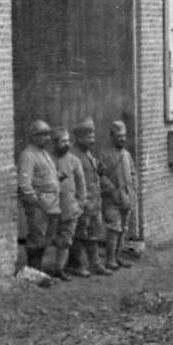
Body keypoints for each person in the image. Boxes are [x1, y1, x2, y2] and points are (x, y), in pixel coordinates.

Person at [17, 120, 61, 275]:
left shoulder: (43, 153)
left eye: (48, 134)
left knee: (45, 239)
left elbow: (44, 175)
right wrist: (35, 202)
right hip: (39, 206)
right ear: (34, 137)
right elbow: (24, 183)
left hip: (51, 204)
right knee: (36, 239)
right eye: (43, 135)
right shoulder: (28, 155)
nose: (47, 138)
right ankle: (33, 272)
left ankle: (39, 270)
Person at [70, 118, 112, 276]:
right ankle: (76, 265)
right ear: (79, 138)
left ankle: (94, 263)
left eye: (93, 137)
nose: (92, 140)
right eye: (88, 137)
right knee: (79, 235)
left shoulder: (88, 154)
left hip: (94, 202)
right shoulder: (73, 156)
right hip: (82, 203)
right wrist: (81, 202)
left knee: (93, 234)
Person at [51, 129, 90, 278]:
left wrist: (80, 203)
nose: (66, 144)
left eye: (68, 141)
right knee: (47, 238)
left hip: (69, 207)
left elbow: (81, 185)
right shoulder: (48, 160)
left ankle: (59, 269)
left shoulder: (74, 161)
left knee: (65, 239)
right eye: (62, 141)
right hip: (50, 207)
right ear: (55, 143)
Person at [102, 120, 140, 263]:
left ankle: (118, 256)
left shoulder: (126, 155)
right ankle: (110, 259)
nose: (123, 139)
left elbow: (133, 173)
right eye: (119, 136)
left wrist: (133, 191)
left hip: (126, 198)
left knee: (123, 228)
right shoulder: (105, 155)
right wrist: (113, 191)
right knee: (113, 229)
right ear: (112, 137)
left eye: (124, 136)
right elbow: (101, 177)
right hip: (112, 200)